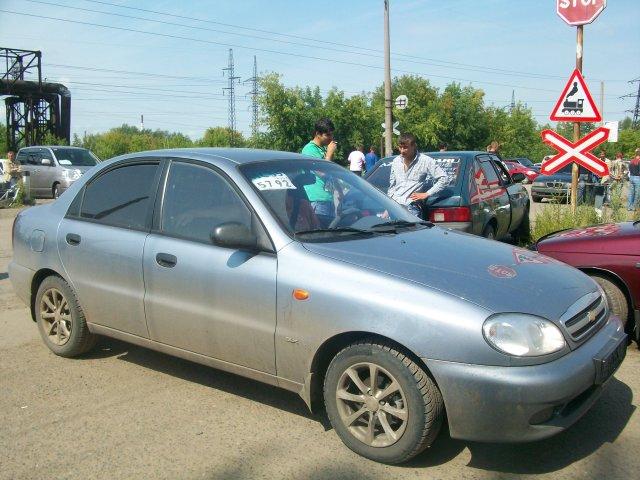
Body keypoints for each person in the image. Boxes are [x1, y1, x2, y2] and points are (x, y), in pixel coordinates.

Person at [387, 133, 447, 218]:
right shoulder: (396, 161)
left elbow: (444, 179)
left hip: (411, 208)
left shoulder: (425, 161)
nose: (402, 151)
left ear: (414, 146)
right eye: (400, 147)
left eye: (405, 147)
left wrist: (427, 194)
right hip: (394, 207)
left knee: (410, 231)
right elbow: (392, 185)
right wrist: (387, 205)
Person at [300, 118, 341, 224]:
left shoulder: (324, 149)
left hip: (328, 198)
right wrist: (329, 154)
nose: (330, 138)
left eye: (332, 135)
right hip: (317, 199)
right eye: (327, 135)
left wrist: (341, 192)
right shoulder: (309, 150)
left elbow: (331, 172)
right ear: (318, 133)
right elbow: (322, 172)